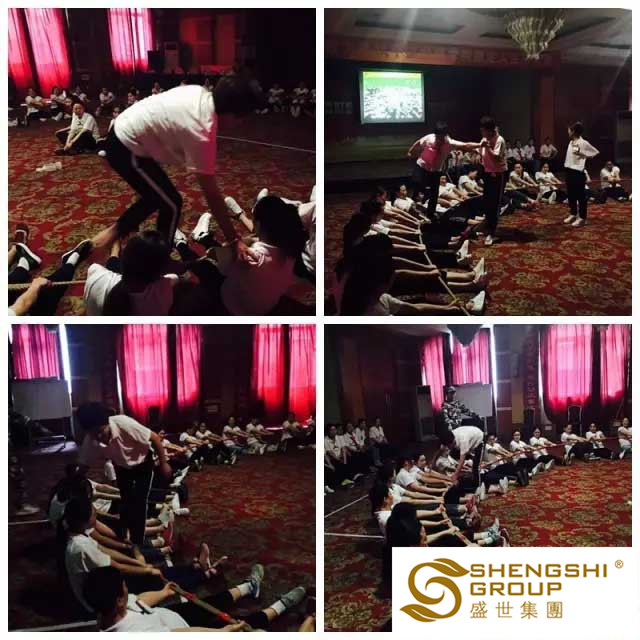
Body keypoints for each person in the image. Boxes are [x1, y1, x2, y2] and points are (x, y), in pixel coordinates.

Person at [93, 79, 261, 252]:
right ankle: (146, 253)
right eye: (240, 119)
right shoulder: (202, 130)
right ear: (231, 114)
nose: (239, 125)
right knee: (171, 204)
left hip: (127, 129)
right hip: (125, 144)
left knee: (161, 197)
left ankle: (116, 236)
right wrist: (233, 240)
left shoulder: (198, 91)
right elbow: (212, 195)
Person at [83, 565, 306, 631]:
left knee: (213, 601)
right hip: (181, 628)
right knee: (242, 626)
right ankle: (281, 605)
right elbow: (187, 634)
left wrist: (164, 593)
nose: (126, 588)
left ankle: (249, 586)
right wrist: (222, 633)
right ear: (118, 601)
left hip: (166, 615)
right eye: (123, 586)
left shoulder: (106, 611)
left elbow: (138, 601)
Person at [75, 403, 173, 545]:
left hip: (142, 464)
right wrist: (72, 482)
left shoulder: (124, 424)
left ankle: (137, 542)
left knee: (139, 502)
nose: (99, 437)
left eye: (101, 431)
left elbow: (155, 438)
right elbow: (84, 465)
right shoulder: (91, 439)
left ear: (107, 423)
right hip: (122, 467)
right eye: (94, 434)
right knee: (126, 503)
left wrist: (164, 464)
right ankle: (127, 534)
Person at [406, 121, 478, 220]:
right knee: (417, 182)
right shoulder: (430, 138)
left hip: (435, 171)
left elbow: (466, 145)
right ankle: (417, 200)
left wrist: (480, 145)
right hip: (422, 166)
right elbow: (418, 142)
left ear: (445, 136)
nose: (439, 140)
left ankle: (430, 215)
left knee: (434, 194)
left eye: (441, 138)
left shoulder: (450, 143)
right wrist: (410, 151)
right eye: (438, 137)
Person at [478, 116, 508, 246]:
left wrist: (488, 148)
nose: (482, 133)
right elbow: (481, 151)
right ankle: (487, 227)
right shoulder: (485, 138)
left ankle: (491, 232)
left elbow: (496, 157)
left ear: (490, 130)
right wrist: (480, 155)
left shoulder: (499, 140)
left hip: (498, 174)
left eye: (483, 130)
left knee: (495, 203)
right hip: (487, 173)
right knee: (487, 201)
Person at [563, 121, 599, 227]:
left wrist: (582, 153)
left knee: (580, 196)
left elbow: (595, 152)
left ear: (573, 131)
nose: (568, 132)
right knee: (571, 195)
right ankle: (573, 213)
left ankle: (582, 218)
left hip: (578, 173)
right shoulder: (571, 142)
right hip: (568, 171)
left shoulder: (583, 143)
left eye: (569, 130)